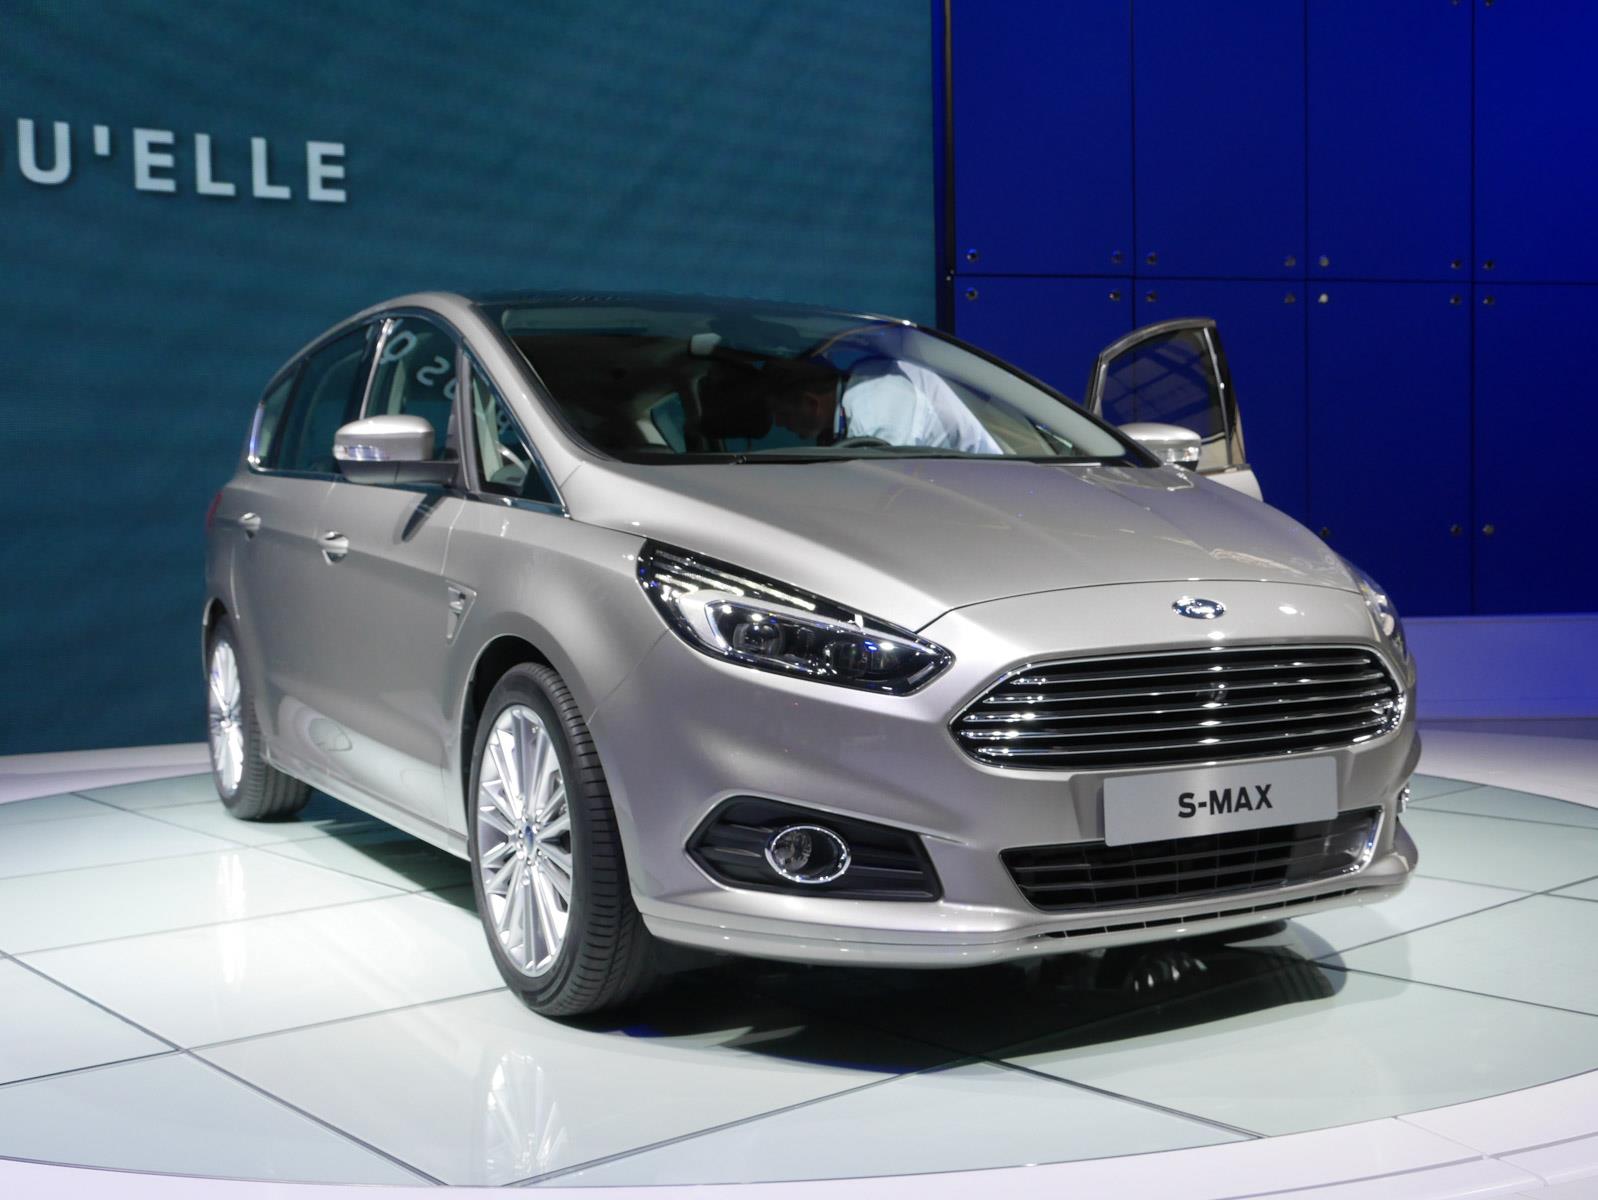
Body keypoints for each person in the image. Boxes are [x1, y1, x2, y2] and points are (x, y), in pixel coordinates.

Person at [772, 356, 1003, 453]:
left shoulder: (874, 417)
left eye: (782, 414)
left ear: (811, 403)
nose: (779, 423)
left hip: (978, 485)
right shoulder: (863, 378)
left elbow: (889, 493)